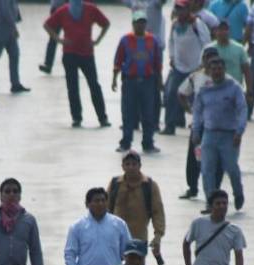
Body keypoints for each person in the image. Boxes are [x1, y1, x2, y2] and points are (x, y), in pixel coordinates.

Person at [192, 55, 248, 210]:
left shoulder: (234, 88)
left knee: (231, 168)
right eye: (213, 69)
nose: (216, 72)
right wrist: (195, 131)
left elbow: (242, 110)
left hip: (229, 135)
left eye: (219, 69)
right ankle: (210, 202)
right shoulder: (204, 90)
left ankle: (238, 193)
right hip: (209, 134)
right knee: (207, 169)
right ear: (209, 71)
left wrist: (239, 131)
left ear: (224, 70)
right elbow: (197, 111)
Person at [44, 0, 111, 128]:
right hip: (70, 54)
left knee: (93, 86)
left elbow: (106, 23)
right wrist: (59, 39)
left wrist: (97, 40)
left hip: (86, 54)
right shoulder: (63, 10)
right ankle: (77, 117)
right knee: (74, 87)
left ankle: (102, 117)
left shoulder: (90, 9)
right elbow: (47, 25)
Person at [178, 49, 228, 200]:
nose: (210, 62)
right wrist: (189, 110)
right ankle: (192, 187)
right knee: (195, 157)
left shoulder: (226, 80)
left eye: (213, 59)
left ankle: (215, 189)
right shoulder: (196, 76)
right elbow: (181, 93)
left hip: (219, 127)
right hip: (199, 127)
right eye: (207, 58)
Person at [111, 11, 163, 154]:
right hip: (130, 81)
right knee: (128, 113)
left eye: (143, 22)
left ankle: (148, 143)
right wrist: (114, 79)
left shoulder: (153, 40)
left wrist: (159, 81)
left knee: (148, 113)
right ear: (133, 24)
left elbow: (157, 62)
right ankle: (125, 142)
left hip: (148, 81)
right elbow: (118, 60)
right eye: (137, 22)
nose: (140, 25)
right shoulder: (125, 40)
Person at [161, 1, 210, 135]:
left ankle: (199, 127)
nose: (179, 11)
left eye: (181, 8)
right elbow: (171, 41)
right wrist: (172, 57)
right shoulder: (175, 24)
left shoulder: (197, 24)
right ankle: (170, 126)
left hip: (195, 68)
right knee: (170, 95)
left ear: (188, 9)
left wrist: (203, 63)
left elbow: (206, 43)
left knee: (197, 98)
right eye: (177, 8)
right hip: (178, 67)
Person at [107, 151, 165, 260]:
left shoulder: (149, 185)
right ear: (122, 166)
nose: (131, 167)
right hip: (116, 238)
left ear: (140, 166)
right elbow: (106, 209)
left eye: (134, 164)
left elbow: (158, 212)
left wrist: (158, 236)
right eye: (127, 164)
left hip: (139, 238)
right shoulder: (115, 184)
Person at [0, 0, 30, 93]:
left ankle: (15, 83)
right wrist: (14, 26)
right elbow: (6, 11)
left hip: (8, 27)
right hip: (0, 27)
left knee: (14, 54)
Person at [205, 19, 250, 88]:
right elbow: (202, 70)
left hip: (234, 88)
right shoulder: (208, 49)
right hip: (214, 88)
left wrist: (249, 89)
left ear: (229, 31)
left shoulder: (239, 48)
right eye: (220, 29)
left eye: (225, 29)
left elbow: (246, 70)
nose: (223, 32)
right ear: (215, 31)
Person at [39, 0, 69, 74]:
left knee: (70, 37)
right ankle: (48, 64)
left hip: (67, 8)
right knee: (53, 38)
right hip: (57, 8)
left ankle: (72, 64)